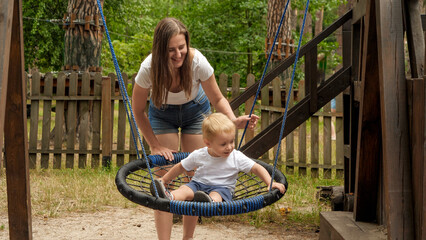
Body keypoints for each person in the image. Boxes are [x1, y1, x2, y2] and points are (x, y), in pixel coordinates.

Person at [132, 17, 259, 240]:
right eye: (171, 50)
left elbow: (218, 98)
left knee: (194, 174)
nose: (178, 54)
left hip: (195, 112)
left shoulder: (197, 61)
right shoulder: (149, 68)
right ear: (160, 49)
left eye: (182, 47)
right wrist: (155, 145)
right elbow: (138, 110)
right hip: (162, 114)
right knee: (165, 176)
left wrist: (231, 121)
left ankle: (187, 238)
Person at [151, 113, 286, 206]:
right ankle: (169, 196)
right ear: (208, 143)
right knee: (185, 190)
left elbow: (256, 167)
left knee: (216, 195)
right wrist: (165, 180)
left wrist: (270, 182)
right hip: (198, 184)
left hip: (223, 189)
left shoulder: (236, 156)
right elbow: (181, 166)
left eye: (231, 141)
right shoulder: (200, 154)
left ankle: (210, 204)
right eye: (223, 144)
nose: (229, 147)